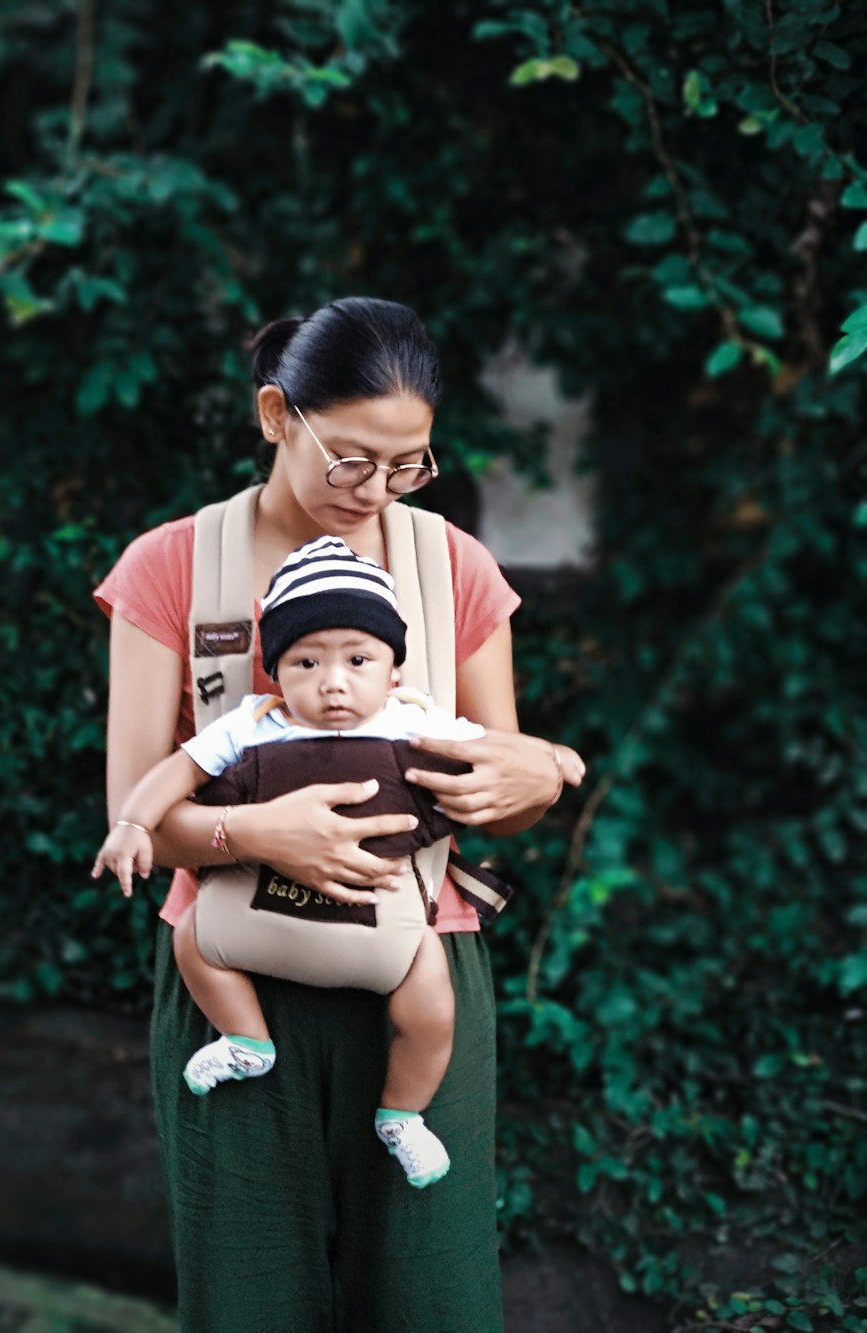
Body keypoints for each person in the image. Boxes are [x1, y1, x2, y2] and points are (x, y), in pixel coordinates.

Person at [93, 296, 585, 1332]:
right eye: (352, 459)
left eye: (408, 466)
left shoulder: (453, 567)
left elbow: (501, 783)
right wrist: (257, 834)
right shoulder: (170, 566)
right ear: (278, 415)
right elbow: (134, 811)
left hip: (417, 967)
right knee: (246, 1292)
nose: (376, 492)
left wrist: (539, 774)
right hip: (233, 971)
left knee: (430, 1294)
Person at [93, 533, 522, 1190]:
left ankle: (403, 1114)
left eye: (358, 658)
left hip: (390, 930)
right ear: (276, 671)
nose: (334, 682)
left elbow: (502, 760)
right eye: (305, 662)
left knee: (432, 1005)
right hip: (257, 911)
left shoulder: (416, 724)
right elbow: (176, 770)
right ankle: (246, 1038)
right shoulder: (255, 724)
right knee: (192, 940)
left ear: (394, 669)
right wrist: (130, 822)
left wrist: (553, 762)